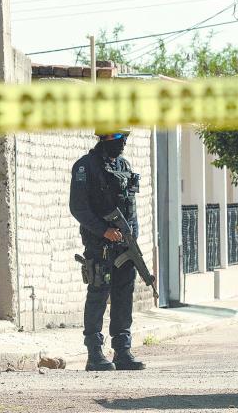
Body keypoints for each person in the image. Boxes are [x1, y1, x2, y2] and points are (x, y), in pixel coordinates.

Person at [69, 130, 146, 372]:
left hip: (124, 244)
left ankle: (122, 350)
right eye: (117, 138)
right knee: (98, 294)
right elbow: (78, 208)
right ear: (103, 138)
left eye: (124, 138)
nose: (122, 143)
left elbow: (130, 207)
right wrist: (104, 230)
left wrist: (132, 237)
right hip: (99, 244)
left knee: (124, 295)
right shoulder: (85, 167)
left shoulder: (124, 165)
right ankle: (94, 353)